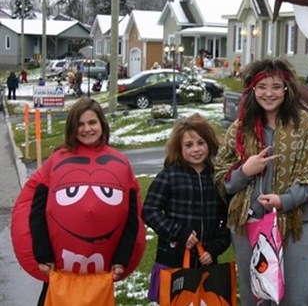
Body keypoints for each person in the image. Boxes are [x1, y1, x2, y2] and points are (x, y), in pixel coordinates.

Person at [214, 58, 308, 305]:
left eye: (276, 86)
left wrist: (284, 200)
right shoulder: (239, 129)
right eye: (262, 87)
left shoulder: (306, 126)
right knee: (257, 295)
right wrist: (245, 171)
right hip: (249, 227)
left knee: (297, 296)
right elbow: (222, 181)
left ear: (286, 89)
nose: (269, 93)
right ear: (252, 90)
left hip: (294, 226)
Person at [10, 98, 146, 305]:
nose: (87, 129)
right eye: (80, 124)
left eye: (92, 123)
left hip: (99, 279)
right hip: (59, 275)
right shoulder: (57, 161)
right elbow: (36, 211)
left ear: (102, 124)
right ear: (72, 128)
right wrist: (43, 255)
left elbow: (131, 218)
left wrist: (121, 259)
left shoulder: (120, 163)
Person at [142, 113, 231, 303]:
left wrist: (215, 248)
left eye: (201, 143)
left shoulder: (218, 178)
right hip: (172, 258)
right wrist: (178, 232)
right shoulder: (169, 176)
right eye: (189, 145)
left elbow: (228, 218)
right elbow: (149, 211)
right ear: (179, 148)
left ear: (209, 144)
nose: (196, 149)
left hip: (206, 260)